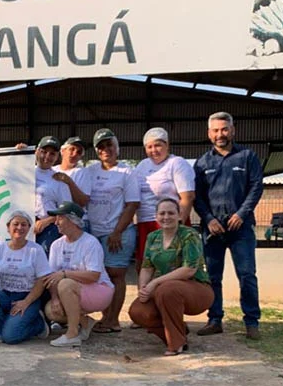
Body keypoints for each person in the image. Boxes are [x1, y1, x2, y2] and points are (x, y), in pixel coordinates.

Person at [193, 112, 264, 340]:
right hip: (213, 230)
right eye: (215, 130)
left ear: (232, 130)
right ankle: (215, 319)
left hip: (240, 229)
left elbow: (256, 187)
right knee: (213, 277)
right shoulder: (202, 163)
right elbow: (197, 196)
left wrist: (242, 213)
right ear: (209, 133)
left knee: (246, 275)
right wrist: (208, 219)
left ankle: (251, 322)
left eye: (224, 129)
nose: (220, 134)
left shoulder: (247, 157)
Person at [129, 198, 213, 356]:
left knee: (167, 289)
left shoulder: (189, 235)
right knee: (138, 311)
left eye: (170, 213)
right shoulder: (152, 237)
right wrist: (143, 290)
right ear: (156, 216)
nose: (166, 217)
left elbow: (189, 269)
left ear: (180, 215)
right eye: (162, 213)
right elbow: (147, 267)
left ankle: (176, 343)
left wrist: (155, 283)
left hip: (196, 289)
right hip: (162, 289)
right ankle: (178, 333)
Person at [84, 128, 139, 334]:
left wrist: (117, 232)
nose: (105, 150)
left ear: (117, 148)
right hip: (94, 232)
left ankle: (113, 319)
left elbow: (132, 204)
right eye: (101, 147)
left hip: (117, 232)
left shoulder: (127, 172)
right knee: (101, 276)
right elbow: (63, 171)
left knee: (116, 275)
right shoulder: (90, 171)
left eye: (109, 145)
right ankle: (104, 317)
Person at [42, 202, 115, 347]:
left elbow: (93, 275)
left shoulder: (90, 243)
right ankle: (85, 322)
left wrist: (65, 274)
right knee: (51, 311)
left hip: (99, 289)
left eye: (60, 218)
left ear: (72, 220)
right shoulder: (57, 245)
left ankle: (72, 334)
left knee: (65, 283)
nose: (56, 222)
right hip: (73, 290)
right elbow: (51, 277)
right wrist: (55, 298)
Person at [0, 211, 52, 345]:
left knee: (11, 337)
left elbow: (42, 280)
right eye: (15, 224)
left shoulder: (36, 250)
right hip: (7, 295)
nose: (19, 228)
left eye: (24, 225)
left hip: (28, 297)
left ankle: (38, 325)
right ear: (8, 227)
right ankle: (0, 329)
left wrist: (26, 302)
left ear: (29, 228)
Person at [133, 127, 195, 271]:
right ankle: (145, 293)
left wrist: (177, 226)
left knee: (171, 265)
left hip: (170, 222)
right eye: (149, 146)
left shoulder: (177, 163)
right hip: (145, 223)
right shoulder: (142, 166)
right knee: (145, 266)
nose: (154, 150)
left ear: (167, 145)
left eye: (158, 145)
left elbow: (188, 197)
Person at [33, 136, 73, 255]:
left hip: (47, 229)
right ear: (36, 151)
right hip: (23, 226)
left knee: (44, 262)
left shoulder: (59, 180)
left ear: (57, 157)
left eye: (52, 154)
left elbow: (67, 209)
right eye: (43, 152)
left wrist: (46, 221)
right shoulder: (25, 172)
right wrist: (19, 151)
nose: (47, 157)